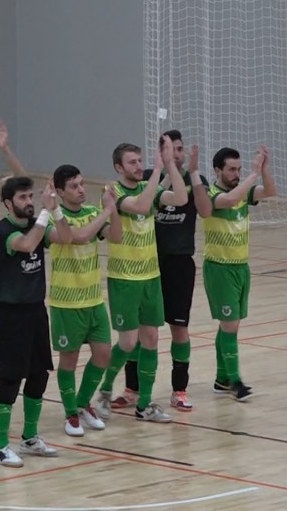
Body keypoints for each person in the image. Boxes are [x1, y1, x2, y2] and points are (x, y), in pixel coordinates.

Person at [115, 130, 212, 412]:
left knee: (179, 328)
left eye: (180, 149)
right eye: (172, 149)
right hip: (148, 264)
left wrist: (192, 172)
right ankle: (132, 390)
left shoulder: (194, 180)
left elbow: (205, 211)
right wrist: (165, 168)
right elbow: (150, 202)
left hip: (179, 264)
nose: (177, 154)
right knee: (140, 331)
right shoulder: (147, 179)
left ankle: (179, 390)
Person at [93, 137, 188, 424]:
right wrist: (158, 171)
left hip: (150, 277)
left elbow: (181, 198)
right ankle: (105, 390)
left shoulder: (150, 187)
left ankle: (144, 404)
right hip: (124, 278)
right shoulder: (113, 192)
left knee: (151, 339)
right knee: (127, 342)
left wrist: (170, 164)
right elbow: (142, 205)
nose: (138, 166)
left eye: (140, 161)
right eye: (132, 162)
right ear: (118, 167)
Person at [0, 177, 70, 466]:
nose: (29, 202)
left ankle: (30, 437)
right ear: (8, 203)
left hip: (36, 310)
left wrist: (56, 210)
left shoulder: (38, 222)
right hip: (11, 314)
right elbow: (26, 244)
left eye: (30, 196)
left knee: (39, 375)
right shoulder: (2, 230)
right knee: (11, 379)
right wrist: (46, 213)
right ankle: (1, 446)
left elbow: (65, 238)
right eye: (22, 197)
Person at [47, 164, 121, 437]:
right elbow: (79, 237)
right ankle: (71, 414)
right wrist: (105, 212)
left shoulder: (91, 213)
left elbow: (116, 237)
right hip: (66, 303)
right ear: (60, 192)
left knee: (103, 354)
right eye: (74, 186)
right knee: (69, 360)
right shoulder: (53, 217)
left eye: (81, 184)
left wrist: (113, 209)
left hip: (93, 300)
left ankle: (82, 404)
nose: (81, 190)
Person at [203, 145, 276, 401]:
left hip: (241, 267)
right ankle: (235, 382)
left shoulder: (243, 191)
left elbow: (270, 191)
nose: (236, 173)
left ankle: (221, 379)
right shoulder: (210, 194)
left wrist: (263, 171)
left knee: (229, 325)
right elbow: (230, 200)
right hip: (219, 267)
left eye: (239, 169)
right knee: (230, 325)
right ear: (217, 170)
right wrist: (252, 175)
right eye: (231, 169)